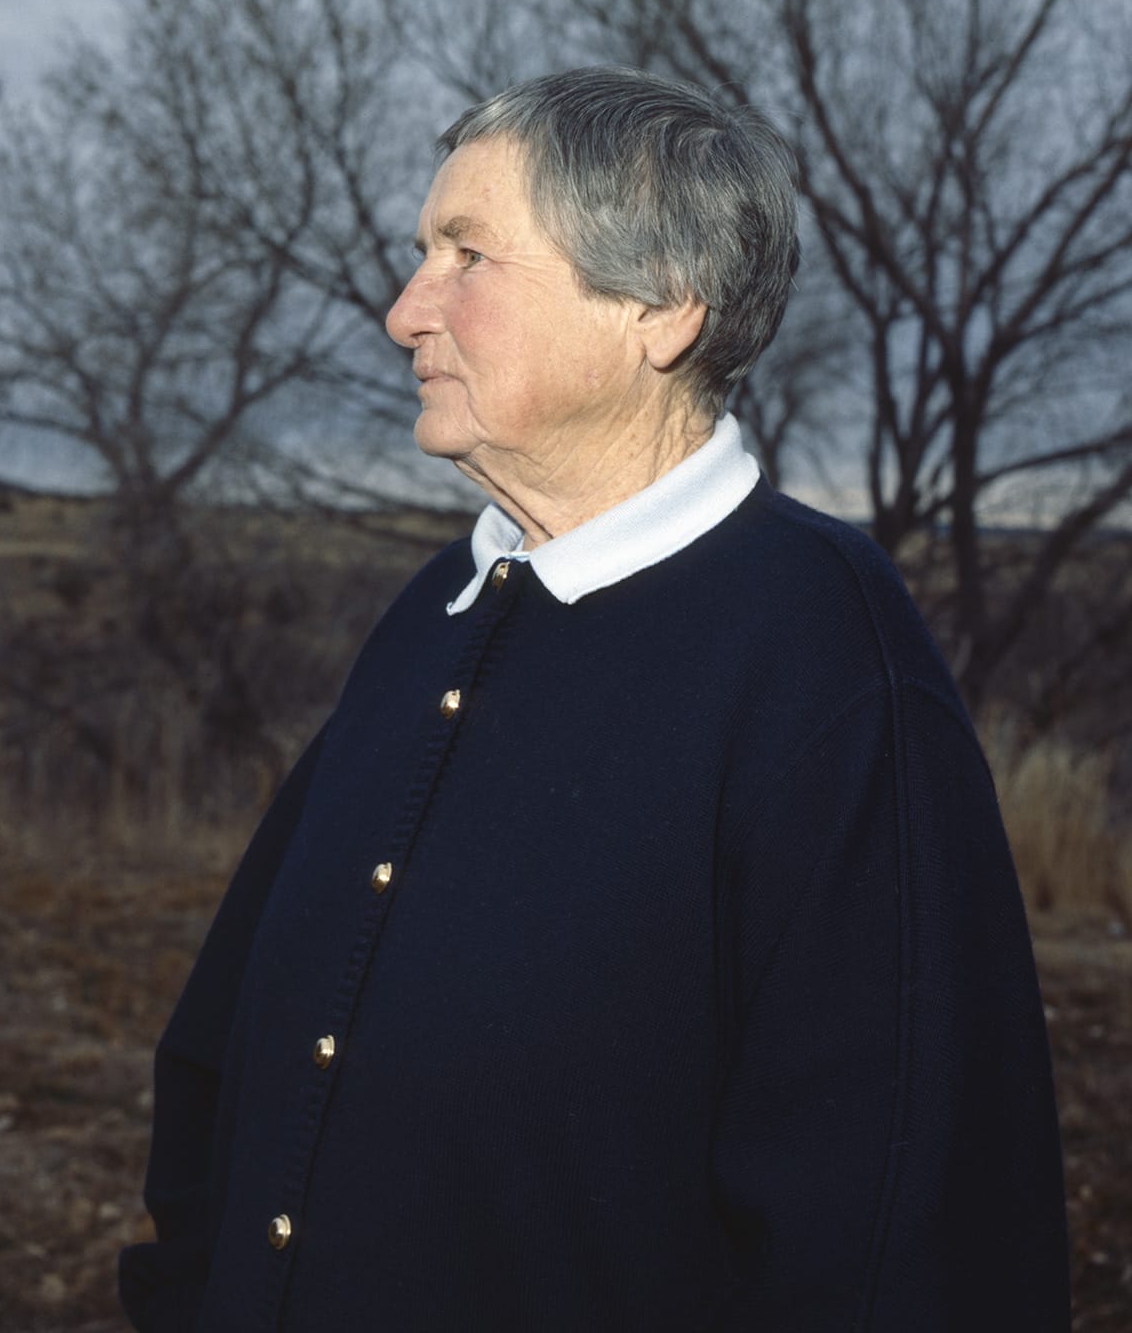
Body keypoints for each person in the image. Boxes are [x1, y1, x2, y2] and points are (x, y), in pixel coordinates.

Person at [119, 68, 1070, 1331]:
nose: (407, 309)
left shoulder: (826, 661)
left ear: (660, 308)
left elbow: (902, 1236)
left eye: (467, 256)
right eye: (421, 255)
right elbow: (229, 1040)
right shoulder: (437, 610)